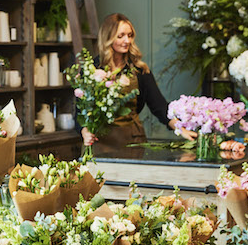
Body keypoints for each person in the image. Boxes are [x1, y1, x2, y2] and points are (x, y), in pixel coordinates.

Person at [81, 13, 196, 155]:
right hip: (100, 142)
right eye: (121, 36)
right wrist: (85, 131)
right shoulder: (91, 69)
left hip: (132, 141)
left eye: (129, 35)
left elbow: (159, 106)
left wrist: (181, 129)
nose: (127, 40)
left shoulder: (139, 70)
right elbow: (80, 110)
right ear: (108, 38)